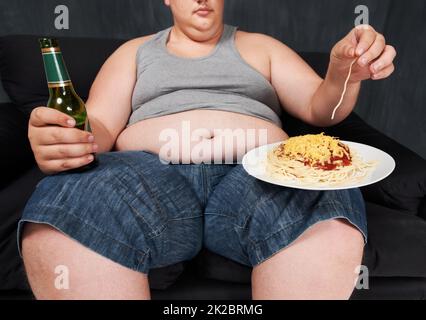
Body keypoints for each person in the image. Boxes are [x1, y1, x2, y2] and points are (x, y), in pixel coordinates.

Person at [21, 0, 396, 300]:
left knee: (322, 197)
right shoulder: (134, 52)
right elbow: (98, 126)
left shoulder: (261, 47)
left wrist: (341, 71)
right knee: (70, 199)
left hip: (259, 176)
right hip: (146, 177)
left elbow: (321, 109)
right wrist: (67, 136)